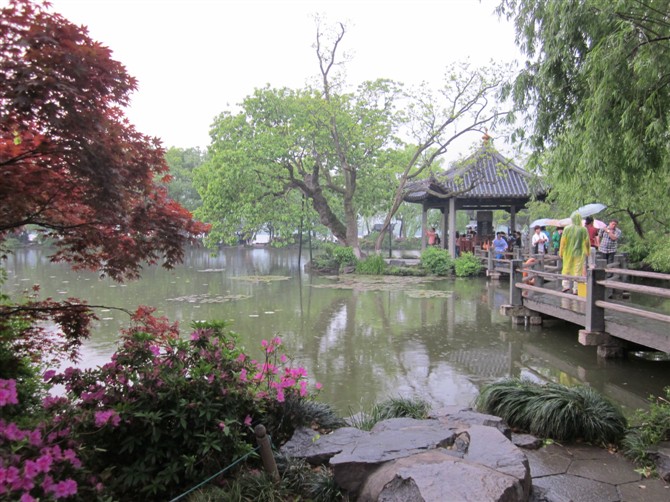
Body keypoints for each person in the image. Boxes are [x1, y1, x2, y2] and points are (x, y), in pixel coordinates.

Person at [558, 212, 590, 294]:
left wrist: (561, 252)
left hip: (568, 253)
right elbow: (587, 242)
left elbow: (563, 242)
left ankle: (565, 286)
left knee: (566, 268)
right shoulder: (583, 229)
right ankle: (576, 288)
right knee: (577, 270)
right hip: (579, 253)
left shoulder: (567, 228)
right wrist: (588, 251)